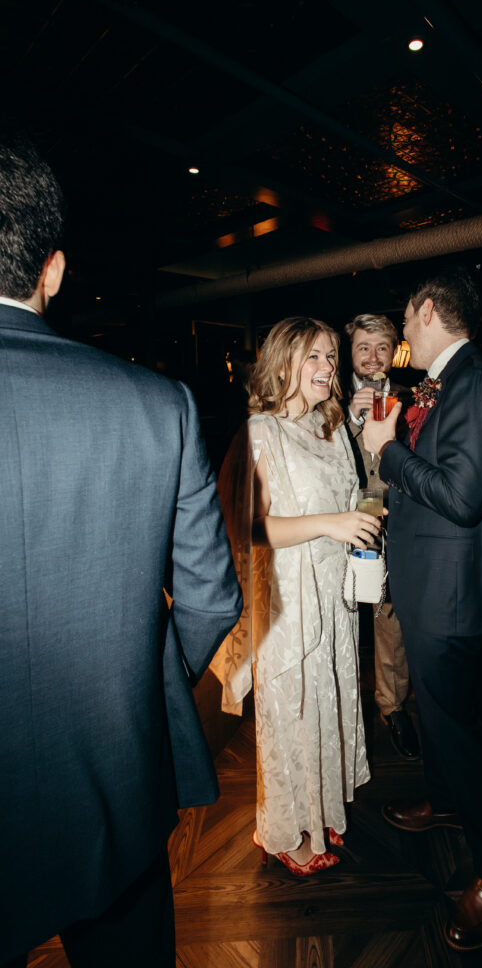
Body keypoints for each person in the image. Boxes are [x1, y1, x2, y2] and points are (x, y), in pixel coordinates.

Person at [0, 131, 243, 967]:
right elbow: (212, 599)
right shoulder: (157, 404)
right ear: (53, 270)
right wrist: (135, 682)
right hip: (115, 781)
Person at [362, 270, 482, 952]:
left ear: (428, 311)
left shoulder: (476, 384)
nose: (401, 336)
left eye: (405, 320)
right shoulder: (439, 384)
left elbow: (459, 496)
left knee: (461, 727)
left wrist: (387, 454)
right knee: (438, 714)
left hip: (452, 597)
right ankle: (445, 797)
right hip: (428, 582)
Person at [210, 317, 380, 875]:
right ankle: (282, 830)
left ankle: (319, 806)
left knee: (325, 704)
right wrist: (334, 523)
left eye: (332, 356)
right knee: (290, 715)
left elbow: (354, 501)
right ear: (284, 362)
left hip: (332, 596)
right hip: (286, 600)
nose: (329, 367)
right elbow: (252, 527)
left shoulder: (331, 430)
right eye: (315, 356)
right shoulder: (262, 431)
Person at [344, 313, 420, 760]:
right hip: (340, 518)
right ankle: (338, 708)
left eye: (382, 348)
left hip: (391, 517)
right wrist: (351, 420)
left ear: (395, 352)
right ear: (350, 352)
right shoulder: (327, 396)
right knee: (339, 616)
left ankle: (392, 706)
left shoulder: (412, 398)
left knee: (389, 616)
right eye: (363, 348)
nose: (373, 358)